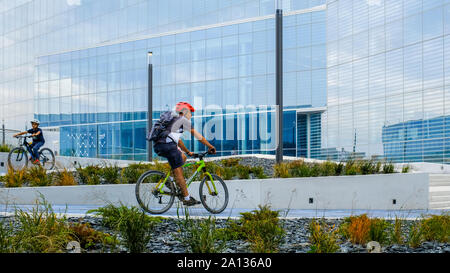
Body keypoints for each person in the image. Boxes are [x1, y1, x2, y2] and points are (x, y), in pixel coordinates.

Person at [153, 102, 216, 206]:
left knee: (182, 157)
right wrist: (210, 146)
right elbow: (199, 137)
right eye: (190, 113)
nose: (191, 115)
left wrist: (187, 152)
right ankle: (186, 198)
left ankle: (170, 180)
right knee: (179, 172)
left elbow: (178, 141)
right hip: (168, 146)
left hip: (159, 146)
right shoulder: (183, 121)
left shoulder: (172, 121)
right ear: (184, 112)